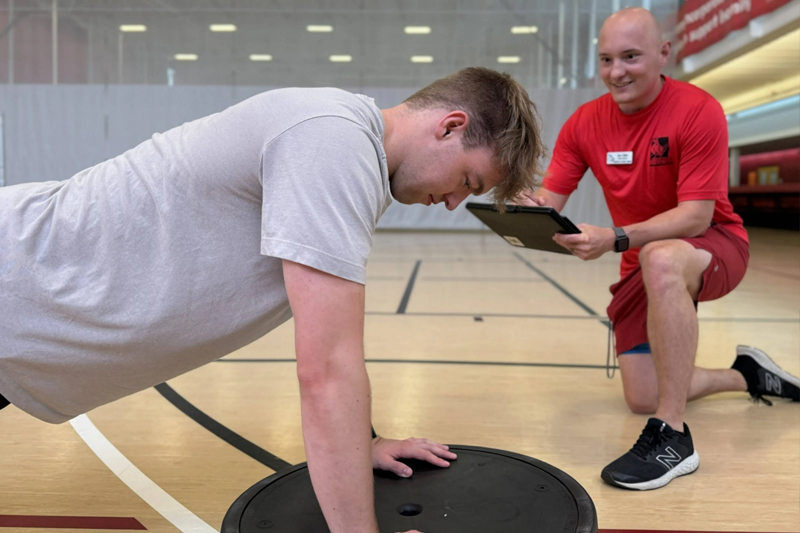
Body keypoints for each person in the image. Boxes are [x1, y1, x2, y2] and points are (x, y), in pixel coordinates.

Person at [0, 67, 545, 532]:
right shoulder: (331, 141)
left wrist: (363, 442)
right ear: (451, 127)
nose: (453, 203)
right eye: (467, 181)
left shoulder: (344, 151)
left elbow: (325, 335)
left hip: (22, 333)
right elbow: (327, 370)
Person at [518, 8, 799, 491]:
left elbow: (696, 217)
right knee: (643, 395)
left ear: (664, 54)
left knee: (662, 255)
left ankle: (673, 436)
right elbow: (551, 197)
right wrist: (529, 207)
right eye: (606, 59)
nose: (616, 71)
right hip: (641, 258)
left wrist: (615, 236)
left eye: (630, 57)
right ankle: (748, 376)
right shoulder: (584, 123)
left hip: (715, 245)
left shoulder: (697, 109)